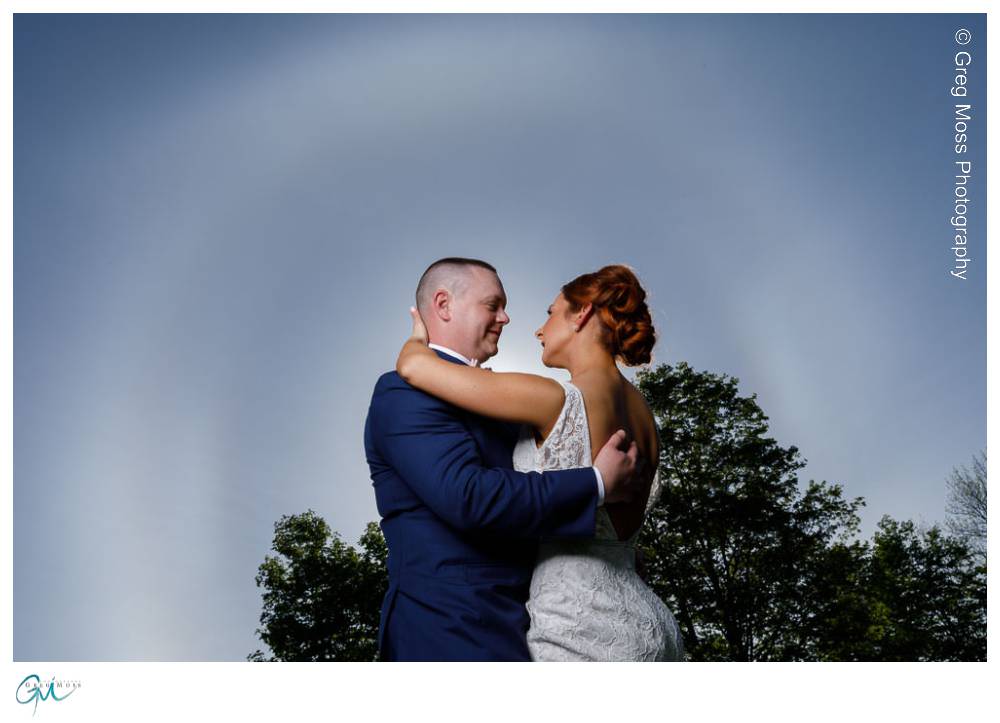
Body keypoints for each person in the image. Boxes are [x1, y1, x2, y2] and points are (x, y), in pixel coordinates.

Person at [396, 263, 685, 661]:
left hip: (577, 621)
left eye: (551, 312)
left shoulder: (550, 399)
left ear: (581, 314)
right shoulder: (645, 416)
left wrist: (415, 340)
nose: (538, 328)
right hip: (647, 621)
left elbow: (413, 368)